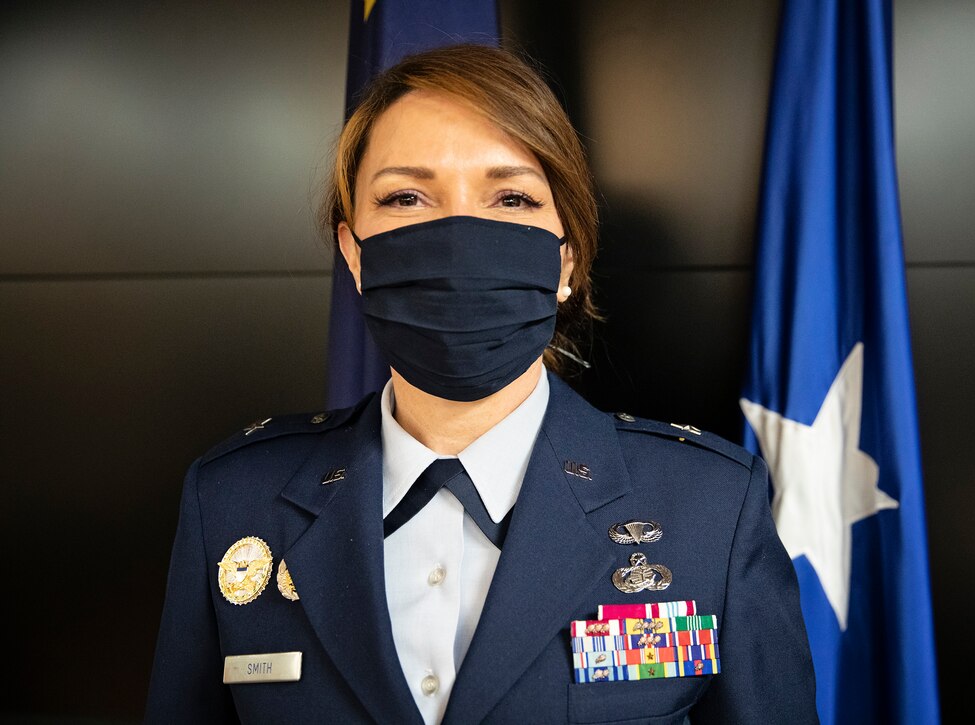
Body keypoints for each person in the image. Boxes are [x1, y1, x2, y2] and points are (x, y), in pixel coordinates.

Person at [146, 43, 816, 724]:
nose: (459, 236)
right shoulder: (234, 500)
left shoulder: (711, 509)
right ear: (354, 253)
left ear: (567, 261)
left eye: (511, 197)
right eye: (406, 196)